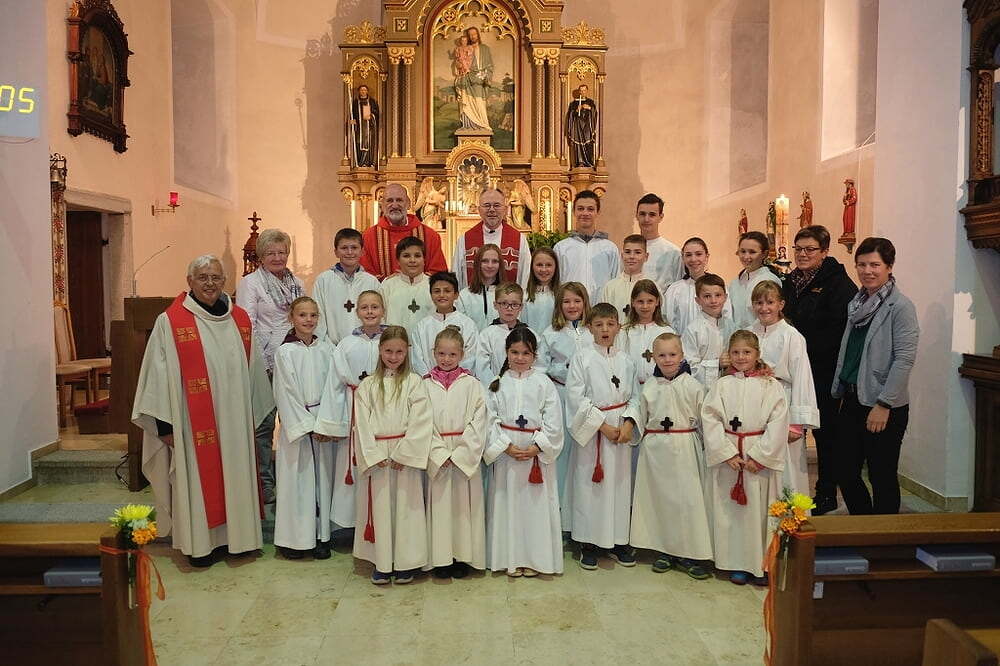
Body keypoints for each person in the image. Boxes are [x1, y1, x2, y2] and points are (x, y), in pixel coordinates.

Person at [132, 255, 274, 567]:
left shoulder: (239, 319)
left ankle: (239, 541)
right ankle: (202, 546)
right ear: (190, 282)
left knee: (236, 474)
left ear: (225, 281)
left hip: (235, 422)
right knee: (198, 480)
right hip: (191, 425)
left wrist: (253, 417)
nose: (210, 283)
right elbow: (156, 375)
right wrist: (165, 427)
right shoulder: (171, 322)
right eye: (203, 277)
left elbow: (253, 374)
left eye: (216, 277)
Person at [832, 237, 918, 515]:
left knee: (882, 475)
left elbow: (904, 359)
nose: (867, 271)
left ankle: (885, 533)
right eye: (861, 264)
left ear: (889, 267)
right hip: (853, 398)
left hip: (883, 404)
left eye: (874, 265)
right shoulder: (857, 303)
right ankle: (864, 524)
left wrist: (884, 404)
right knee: (844, 470)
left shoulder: (900, 306)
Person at [701, 330, 789, 585]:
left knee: (758, 515)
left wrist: (760, 456)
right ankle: (734, 563)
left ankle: (760, 564)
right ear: (729, 354)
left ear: (757, 354)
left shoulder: (771, 385)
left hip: (757, 458)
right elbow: (710, 418)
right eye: (736, 352)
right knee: (731, 514)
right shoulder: (722, 385)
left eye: (747, 352)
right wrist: (726, 453)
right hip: (730, 457)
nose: (741, 357)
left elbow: (779, 421)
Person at [782, 225, 857, 515]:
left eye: (810, 249)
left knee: (826, 435)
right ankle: (791, 489)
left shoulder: (839, 284)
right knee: (792, 429)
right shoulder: (791, 281)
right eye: (799, 248)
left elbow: (839, 331)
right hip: (794, 370)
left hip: (823, 371)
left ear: (824, 251)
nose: (802, 254)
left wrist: (804, 343)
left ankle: (826, 493)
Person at [626, 333, 712, 579]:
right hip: (655, 452)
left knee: (687, 501)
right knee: (659, 501)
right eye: (661, 355)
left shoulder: (694, 386)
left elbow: (705, 421)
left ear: (682, 356)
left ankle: (689, 553)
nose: (667, 359)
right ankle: (663, 550)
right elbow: (640, 416)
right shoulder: (649, 387)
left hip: (685, 449)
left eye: (673, 354)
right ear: (653, 357)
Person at [353, 326, 433, 584]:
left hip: (403, 457)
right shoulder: (367, 385)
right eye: (388, 351)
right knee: (380, 510)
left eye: (399, 351)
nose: (394, 357)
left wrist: (404, 453)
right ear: (380, 350)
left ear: (407, 351)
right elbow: (361, 424)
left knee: (406, 509)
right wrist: (374, 455)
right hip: (378, 457)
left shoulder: (414, 382)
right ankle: (382, 562)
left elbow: (421, 421)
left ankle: (405, 562)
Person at [484, 327, 565, 577]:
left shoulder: (543, 383)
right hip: (507, 455)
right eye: (514, 352)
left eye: (526, 353)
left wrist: (537, 447)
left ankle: (534, 559)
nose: (520, 358)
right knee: (509, 505)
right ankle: (510, 558)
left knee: (534, 508)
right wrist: (505, 446)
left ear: (534, 355)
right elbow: (489, 419)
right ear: (506, 353)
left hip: (535, 458)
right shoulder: (497, 383)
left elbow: (553, 420)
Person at [566, 302, 640, 570]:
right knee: (591, 488)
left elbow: (635, 396)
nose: (605, 329)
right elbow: (576, 398)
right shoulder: (582, 358)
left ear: (618, 327)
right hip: (595, 435)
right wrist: (603, 426)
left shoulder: (626, 360)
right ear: (590, 328)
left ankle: (618, 541)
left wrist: (629, 423)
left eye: (610, 324)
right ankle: (588, 543)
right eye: (599, 325)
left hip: (620, 432)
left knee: (619, 486)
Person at [272, 297, 347, 560]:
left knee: (322, 482)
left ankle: (321, 537)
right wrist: (306, 425)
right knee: (298, 483)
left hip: (322, 423)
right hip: (299, 427)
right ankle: (294, 540)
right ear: (291, 318)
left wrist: (326, 422)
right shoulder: (285, 352)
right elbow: (285, 391)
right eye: (302, 315)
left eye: (313, 315)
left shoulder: (327, 349)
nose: (308, 320)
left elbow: (335, 387)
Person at [236, 228, 304, 505]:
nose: (277, 257)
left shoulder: (297, 283)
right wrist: (259, 361)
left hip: (293, 361)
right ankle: (264, 484)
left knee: (294, 421)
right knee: (264, 424)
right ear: (261, 256)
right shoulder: (250, 283)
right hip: (264, 361)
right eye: (271, 253)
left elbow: (304, 317)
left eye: (282, 252)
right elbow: (247, 324)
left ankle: (294, 479)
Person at [423, 328, 488, 578]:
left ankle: (462, 557)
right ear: (434, 353)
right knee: (440, 509)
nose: (446, 359)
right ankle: (441, 559)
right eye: (441, 353)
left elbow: (479, 420)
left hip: (463, 455)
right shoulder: (424, 384)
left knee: (464, 510)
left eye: (452, 354)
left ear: (462, 354)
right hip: (438, 454)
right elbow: (421, 422)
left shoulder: (472, 384)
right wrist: (439, 453)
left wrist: (461, 454)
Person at [749, 280, 821, 497]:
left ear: (781, 304)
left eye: (770, 302)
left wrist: (797, 424)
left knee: (785, 467)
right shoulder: (747, 333)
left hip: (783, 402)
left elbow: (802, 378)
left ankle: (787, 512)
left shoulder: (792, 336)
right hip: (753, 404)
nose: (764, 308)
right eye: (759, 303)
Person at [326, 290, 387, 531]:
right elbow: (334, 383)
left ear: (383, 310)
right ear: (357, 311)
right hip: (353, 409)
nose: (370, 312)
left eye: (375, 307)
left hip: (384, 409)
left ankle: (380, 520)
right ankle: (350, 524)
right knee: (351, 464)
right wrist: (332, 422)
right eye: (364, 307)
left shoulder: (391, 341)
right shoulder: (346, 344)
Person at [539, 282, 593, 531]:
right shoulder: (550, 333)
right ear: (559, 305)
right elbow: (541, 368)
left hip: (588, 401)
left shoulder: (593, 331)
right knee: (562, 455)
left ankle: (584, 516)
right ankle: (559, 517)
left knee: (585, 457)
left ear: (585, 303)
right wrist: (564, 369)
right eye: (567, 301)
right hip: (561, 396)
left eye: (577, 301)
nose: (572, 306)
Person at [360, 183, 448, 280]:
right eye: (389, 200)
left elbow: (438, 273)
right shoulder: (369, 237)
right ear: (382, 205)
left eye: (399, 200)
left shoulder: (429, 235)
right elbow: (364, 274)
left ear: (408, 203)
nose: (394, 205)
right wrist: (389, 282)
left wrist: (414, 281)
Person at [452, 188, 531, 291]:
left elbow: (526, 276)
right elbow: (456, 275)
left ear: (505, 209)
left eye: (497, 205)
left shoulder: (519, 240)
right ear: (479, 210)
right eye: (487, 205)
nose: (492, 210)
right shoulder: (465, 240)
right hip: (474, 299)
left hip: (509, 300)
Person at [313, 228, 381, 345]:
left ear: (362, 251)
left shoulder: (371, 282)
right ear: (336, 252)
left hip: (365, 345)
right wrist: (326, 346)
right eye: (344, 248)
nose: (349, 252)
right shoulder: (323, 280)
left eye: (354, 247)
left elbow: (379, 316)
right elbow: (318, 316)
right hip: (333, 347)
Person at [554, 190, 622, 303]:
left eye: (590, 209)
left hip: (601, 308)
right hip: (572, 308)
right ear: (574, 211)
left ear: (598, 212)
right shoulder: (561, 248)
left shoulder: (610, 248)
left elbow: (616, 281)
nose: (585, 213)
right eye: (580, 209)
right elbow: (556, 282)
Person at [474, 282, 547, 385]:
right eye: (504, 303)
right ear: (495, 305)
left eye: (514, 304)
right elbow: (482, 368)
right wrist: (494, 386)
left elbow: (539, 366)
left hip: (526, 387)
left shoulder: (531, 334)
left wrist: (528, 385)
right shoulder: (487, 335)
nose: (509, 308)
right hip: (496, 388)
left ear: (521, 307)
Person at [411, 271, 478, 376]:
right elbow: (417, 358)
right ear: (431, 294)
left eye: (447, 291)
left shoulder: (467, 324)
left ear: (456, 295)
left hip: (460, 381)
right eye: (437, 291)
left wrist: (457, 378)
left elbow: (471, 356)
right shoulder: (422, 326)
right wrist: (428, 377)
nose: (442, 295)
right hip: (429, 381)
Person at [665, 237, 733, 336]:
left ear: (707, 256)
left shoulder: (718, 286)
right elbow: (667, 321)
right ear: (683, 258)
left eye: (698, 254)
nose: (693, 259)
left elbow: (727, 319)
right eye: (688, 255)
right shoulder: (674, 290)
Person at [682, 274, 738, 391]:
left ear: (725, 297)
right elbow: (689, 367)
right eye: (707, 296)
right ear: (697, 300)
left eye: (718, 295)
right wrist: (717, 364)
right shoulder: (693, 330)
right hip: (702, 391)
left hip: (730, 388)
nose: (713, 301)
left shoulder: (732, 327)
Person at [621, 279, 675, 386]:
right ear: (633, 302)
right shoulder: (624, 332)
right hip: (632, 387)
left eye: (650, 301)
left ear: (657, 302)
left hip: (660, 387)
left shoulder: (667, 331)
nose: (645, 306)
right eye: (640, 301)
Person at [635, 193, 684, 297]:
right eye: (642, 214)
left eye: (652, 215)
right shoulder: (629, 251)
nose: (646, 219)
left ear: (661, 217)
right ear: (636, 216)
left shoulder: (673, 253)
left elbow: (678, 289)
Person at [729, 231, 780, 329]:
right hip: (737, 336)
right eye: (742, 251)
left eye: (752, 252)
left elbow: (770, 316)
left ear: (764, 254)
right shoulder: (735, 283)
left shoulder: (770, 280)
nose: (746, 257)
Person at [381, 237, 434, 332]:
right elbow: (380, 317)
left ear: (424, 259)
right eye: (406, 256)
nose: (412, 260)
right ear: (398, 260)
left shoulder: (433, 285)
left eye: (417, 256)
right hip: (394, 340)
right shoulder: (388, 285)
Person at [600, 234, 649, 323]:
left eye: (637, 252)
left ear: (646, 257)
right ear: (622, 255)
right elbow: (603, 318)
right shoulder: (610, 287)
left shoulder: (652, 287)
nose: (632, 256)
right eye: (627, 252)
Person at [456, 244, 500, 330]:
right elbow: (460, 327)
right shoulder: (464, 295)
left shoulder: (507, 295)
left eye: (495, 261)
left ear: (500, 265)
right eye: (485, 261)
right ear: (478, 264)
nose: (490, 266)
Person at [522, 248, 559, 334]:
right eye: (539, 265)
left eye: (548, 265)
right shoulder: (524, 296)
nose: (543, 269)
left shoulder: (562, 296)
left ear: (555, 267)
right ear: (532, 267)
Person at [566, 84, 598, 168]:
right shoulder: (573, 103)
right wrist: (577, 110)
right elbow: (570, 115)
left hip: (587, 127)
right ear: (579, 92)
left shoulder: (590, 102)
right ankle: (579, 162)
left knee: (588, 143)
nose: (582, 92)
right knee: (577, 145)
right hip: (577, 127)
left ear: (587, 91)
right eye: (581, 90)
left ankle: (588, 162)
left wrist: (589, 108)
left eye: (584, 90)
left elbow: (595, 113)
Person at [350, 85, 379, 168]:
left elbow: (376, 113)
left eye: (365, 90)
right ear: (359, 91)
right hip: (359, 128)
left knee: (368, 143)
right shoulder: (355, 102)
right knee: (359, 142)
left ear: (367, 91)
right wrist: (353, 120)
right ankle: (360, 162)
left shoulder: (372, 102)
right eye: (361, 90)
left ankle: (368, 162)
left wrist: (371, 115)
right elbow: (352, 114)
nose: (363, 91)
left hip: (369, 128)